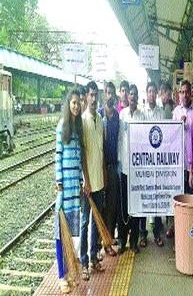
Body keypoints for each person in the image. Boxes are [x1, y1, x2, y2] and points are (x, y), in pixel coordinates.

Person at [54, 89, 83, 294]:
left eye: (78, 103)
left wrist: (81, 181)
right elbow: (57, 157)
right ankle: (61, 276)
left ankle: (71, 272)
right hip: (65, 189)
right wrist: (59, 183)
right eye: (73, 102)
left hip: (76, 188)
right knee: (59, 234)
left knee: (72, 234)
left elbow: (79, 160)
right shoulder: (62, 126)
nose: (76, 106)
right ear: (68, 104)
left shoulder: (77, 128)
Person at [80, 81, 107, 280]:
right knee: (84, 223)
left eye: (96, 94)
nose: (94, 97)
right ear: (86, 97)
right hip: (87, 184)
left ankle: (93, 259)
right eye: (91, 94)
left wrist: (103, 176)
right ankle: (83, 262)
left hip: (99, 181)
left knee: (97, 223)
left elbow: (101, 151)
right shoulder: (82, 121)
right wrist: (86, 181)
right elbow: (82, 154)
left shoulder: (100, 119)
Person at [166, 80, 193, 239]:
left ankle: (188, 232)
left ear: (191, 93)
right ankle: (175, 228)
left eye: (186, 92)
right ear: (179, 95)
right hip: (177, 165)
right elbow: (170, 136)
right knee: (177, 198)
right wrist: (178, 124)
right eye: (182, 92)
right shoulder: (176, 112)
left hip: (190, 165)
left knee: (189, 199)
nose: (184, 95)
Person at [117, 84, 144, 254]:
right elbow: (120, 140)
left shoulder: (142, 117)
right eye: (130, 94)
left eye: (135, 94)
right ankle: (122, 240)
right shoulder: (122, 115)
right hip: (125, 169)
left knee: (136, 207)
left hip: (138, 170)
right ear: (127, 97)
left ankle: (134, 241)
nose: (132, 97)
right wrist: (120, 162)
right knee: (123, 207)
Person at [140, 82, 165, 248]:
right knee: (143, 199)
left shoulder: (162, 113)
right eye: (148, 91)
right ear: (146, 93)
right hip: (144, 163)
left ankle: (156, 234)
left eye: (153, 91)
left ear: (156, 94)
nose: (151, 94)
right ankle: (143, 235)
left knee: (156, 199)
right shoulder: (141, 114)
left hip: (158, 164)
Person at [97, 81, 119, 256]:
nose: (109, 96)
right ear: (103, 94)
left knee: (111, 206)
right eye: (107, 92)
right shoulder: (98, 116)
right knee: (99, 207)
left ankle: (109, 240)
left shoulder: (117, 117)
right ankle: (98, 243)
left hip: (112, 168)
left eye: (112, 93)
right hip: (99, 169)